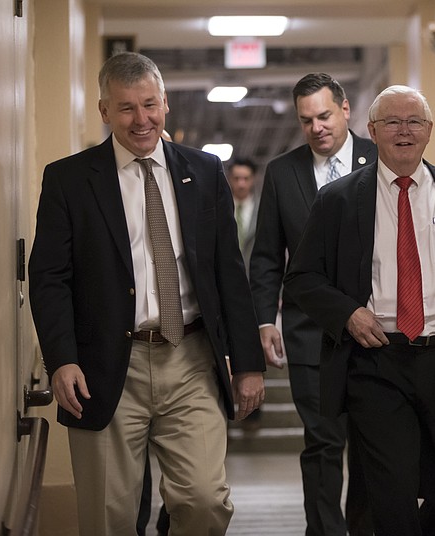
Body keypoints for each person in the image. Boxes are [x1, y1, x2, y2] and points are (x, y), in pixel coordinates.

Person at [28, 51, 266, 536]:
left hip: (192, 358)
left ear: (166, 104)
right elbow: (49, 277)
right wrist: (61, 359)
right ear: (104, 111)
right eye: (126, 108)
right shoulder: (70, 179)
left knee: (203, 502)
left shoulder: (203, 172)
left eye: (150, 104)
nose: (142, 119)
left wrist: (246, 363)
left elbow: (228, 272)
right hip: (106, 364)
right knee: (109, 517)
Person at [283, 85, 435, 536]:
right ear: (372, 131)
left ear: (429, 131)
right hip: (378, 362)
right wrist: (348, 313)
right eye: (391, 122)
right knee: (388, 495)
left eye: (414, 121)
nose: (404, 131)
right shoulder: (337, 200)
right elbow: (302, 279)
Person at [248, 72, 377, 536]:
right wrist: (266, 320)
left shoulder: (381, 159)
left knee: (369, 446)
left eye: (324, 115)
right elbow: (266, 255)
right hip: (309, 335)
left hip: (379, 334)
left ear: (345, 110)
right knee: (322, 442)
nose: (316, 127)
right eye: (306, 121)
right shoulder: (283, 173)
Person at [227, 157, 260, 272]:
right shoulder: (221, 209)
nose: (241, 184)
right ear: (229, 179)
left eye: (246, 178)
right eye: (236, 178)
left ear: (253, 179)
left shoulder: (264, 208)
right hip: (228, 274)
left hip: (255, 274)